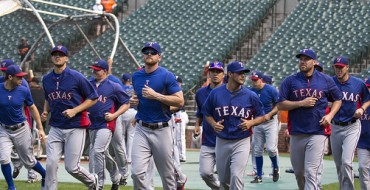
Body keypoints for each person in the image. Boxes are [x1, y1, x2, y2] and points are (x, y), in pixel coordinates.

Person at [277, 49, 342, 190]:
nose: (303, 61)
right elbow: (281, 104)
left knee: (311, 173)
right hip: (297, 132)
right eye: (301, 59)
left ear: (314, 62)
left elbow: (338, 99)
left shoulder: (326, 80)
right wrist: (301, 103)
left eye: (306, 59)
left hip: (317, 132)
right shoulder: (290, 80)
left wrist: (330, 115)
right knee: (299, 173)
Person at [41, 45, 99, 190]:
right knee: (50, 163)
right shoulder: (47, 79)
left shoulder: (76, 77)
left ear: (67, 58)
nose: (57, 56)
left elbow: (93, 98)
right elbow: (48, 97)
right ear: (52, 57)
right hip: (55, 126)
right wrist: (45, 110)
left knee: (72, 167)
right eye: (55, 54)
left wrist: (75, 110)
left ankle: (92, 181)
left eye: (61, 54)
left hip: (75, 126)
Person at [202, 61, 265, 189]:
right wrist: (213, 124)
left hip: (242, 140)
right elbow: (206, 113)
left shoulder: (250, 95)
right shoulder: (216, 93)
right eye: (239, 73)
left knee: (236, 175)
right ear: (230, 74)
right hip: (222, 140)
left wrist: (251, 122)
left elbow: (262, 115)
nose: (243, 76)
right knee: (224, 179)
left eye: (244, 73)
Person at [130, 42, 184, 189]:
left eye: (153, 52)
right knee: (136, 173)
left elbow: (180, 101)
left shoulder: (167, 76)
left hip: (162, 128)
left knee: (167, 175)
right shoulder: (136, 76)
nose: (149, 54)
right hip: (142, 128)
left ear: (159, 56)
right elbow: (137, 97)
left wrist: (157, 96)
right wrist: (134, 101)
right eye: (146, 51)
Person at [0, 65, 46, 190]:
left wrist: (41, 128)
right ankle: (11, 187)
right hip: (3, 129)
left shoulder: (24, 90)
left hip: (21, 129)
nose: (22, 79)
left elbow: (32, 108)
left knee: (29, 161)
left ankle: (44, 175)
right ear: (10, 77)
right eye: (19, 77)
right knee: (4, 159)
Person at [87, 60, 130, 190]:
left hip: (107, 123)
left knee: (98, 151)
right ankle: (115, 175)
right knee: (102, 152)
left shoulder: (114, 85)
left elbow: (126, 103)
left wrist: (114, 115)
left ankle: (99, 184)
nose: (94, 71)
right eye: (93, 69)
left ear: (105, 71)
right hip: (92, 123)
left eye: (97, 69)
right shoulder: (88, 84)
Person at [330, 56, 370, 190]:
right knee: (338, 165)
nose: (339, 69)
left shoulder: (358, 83)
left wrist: (362, 108)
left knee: (346, 162)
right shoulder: (330, 82)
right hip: (335, 126)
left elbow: (368, 98)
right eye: (336, 67)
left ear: (347, 67)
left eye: (341, 67)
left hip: (352, 126)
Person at [194, 61, 224, 189]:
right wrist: (197, 125)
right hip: (208, 138)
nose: (215, 74)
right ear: (209, 73)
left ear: (223, 74)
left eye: (218, 71)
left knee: (226, 176)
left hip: (226, 139)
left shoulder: (229, 91)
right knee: (205, 173)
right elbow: (200, 112)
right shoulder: (200, 93)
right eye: (213, 71)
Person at [249, 71, 280, 183]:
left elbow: (279, 105)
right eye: (252, 80)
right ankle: (259, 175)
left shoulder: (271, 90)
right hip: (258, 122)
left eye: (256, 80)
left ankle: (275, 167)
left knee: (271, 149)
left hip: (270, 122)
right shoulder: (251, 91)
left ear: (261, 79)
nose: (254, 82)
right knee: (257, 150)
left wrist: (270, 114)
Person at [116, 73, 136, 182]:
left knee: (122, 136)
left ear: (123, 80)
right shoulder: (134, 87)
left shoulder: (121, 86)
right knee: (131, 136)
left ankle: (123, 157)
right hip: (133, 112)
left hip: (124, 111)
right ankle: (129, 157)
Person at [357, 78, 370, 190]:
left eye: (369, 87)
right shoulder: (359, 104)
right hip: (362, 142)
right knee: (362, 168)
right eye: (366, 88)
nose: (367, 90)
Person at [172, 76, 189, 162]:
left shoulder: (180, 91)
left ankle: (182, 155)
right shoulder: (175, 91)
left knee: (180, 136)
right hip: (177, 114)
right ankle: (178, 155)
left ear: (179, 83)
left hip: (180, 114)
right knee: (176, 136)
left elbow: (179, 105)